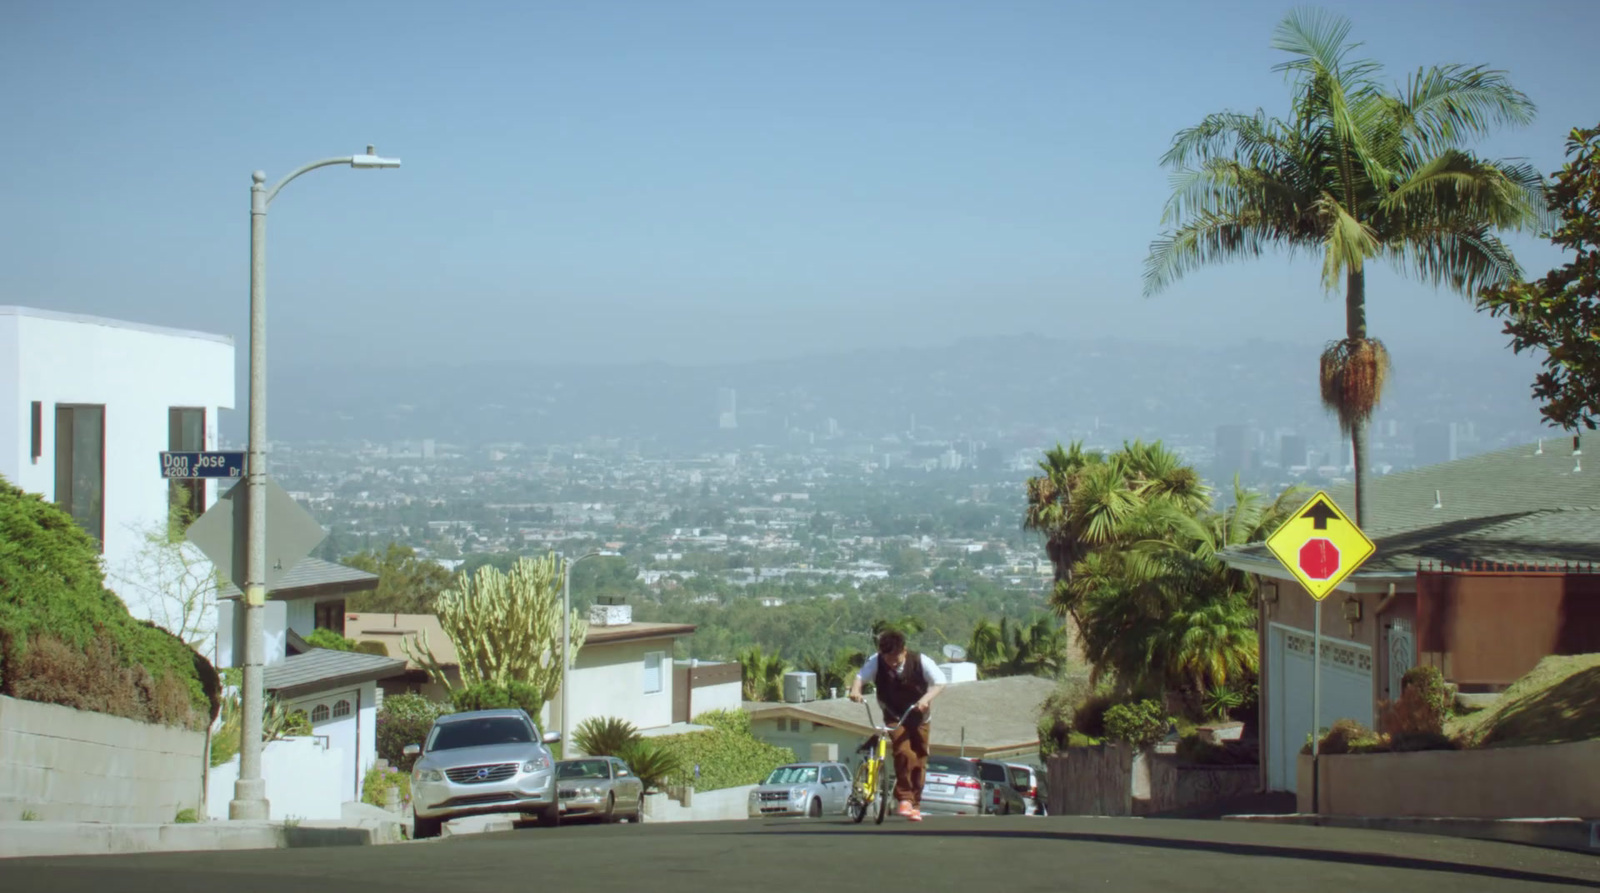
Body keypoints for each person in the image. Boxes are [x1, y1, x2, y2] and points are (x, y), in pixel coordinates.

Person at [848, 628, 945, 821]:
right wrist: (855, 690)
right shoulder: (876, 661)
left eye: (895, 658)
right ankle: (905, 798)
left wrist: (926, 699)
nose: (891, 663)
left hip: (919, 715)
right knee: (903, 751)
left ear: (904, 650)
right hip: (893, 713)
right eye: (887, 658)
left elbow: (939, 682)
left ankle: (915, 803)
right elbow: (860, 678)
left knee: (920, 758)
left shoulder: (920, 661)